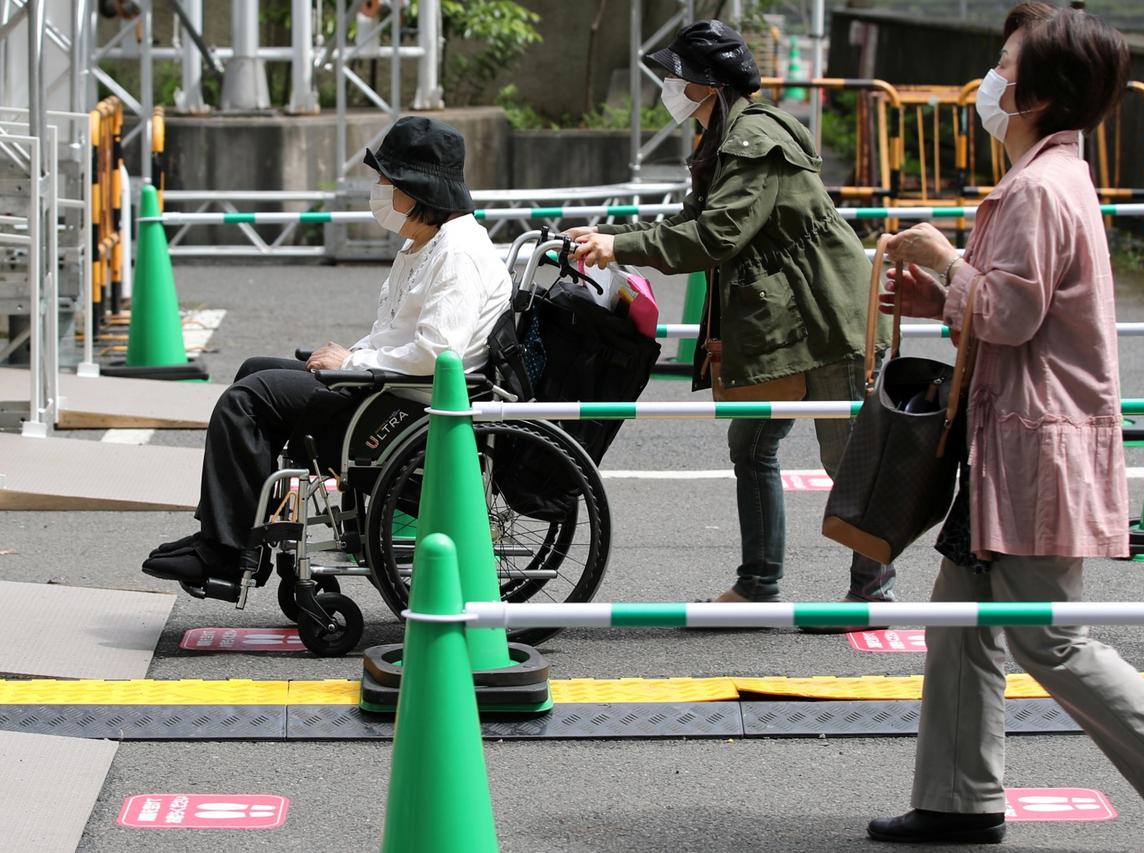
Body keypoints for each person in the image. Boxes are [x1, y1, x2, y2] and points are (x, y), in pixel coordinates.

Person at [867, 6, 1144, 850]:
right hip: (1015, 443)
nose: (991, 79)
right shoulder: (1048, 178)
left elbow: (1009, 310)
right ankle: (958, 801)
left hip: (1038, 446)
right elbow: (1016, 310)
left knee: (1049, 635)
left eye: (1004, 65)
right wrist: (946, 300)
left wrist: (941, 262)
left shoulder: (1041, 187)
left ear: (1039, 94)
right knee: (961, 628)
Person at [571, 19, 893, 616]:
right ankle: (757, 584)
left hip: (828, 316)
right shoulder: (719, 135)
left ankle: (871, 588)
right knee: (751, 444)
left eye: (676, 78)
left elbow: (718, 234)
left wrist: (620, 247)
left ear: (708, 85)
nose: (667, 86)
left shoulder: (753, 137)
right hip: (782, 318)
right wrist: (614, 239)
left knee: (844, 457)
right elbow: (694, 225)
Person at [142, 116, 512, 589]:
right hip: (391, 391)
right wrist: (351, 356)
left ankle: (226, 551)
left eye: (386, 182)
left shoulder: (457, 255)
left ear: (415, 191)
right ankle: (233, 536)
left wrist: (351, 365)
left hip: (408, 409)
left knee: (249, 400)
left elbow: (438, 356)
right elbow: (400, 335)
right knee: (254, 370)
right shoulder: (427, 243)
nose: (378, 191)